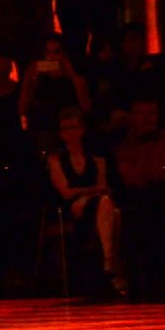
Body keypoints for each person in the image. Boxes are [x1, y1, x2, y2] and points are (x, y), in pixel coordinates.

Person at [47, 106, 126, 295]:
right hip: (72, 207)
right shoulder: (56, 159)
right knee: (110, 210)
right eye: (66, 128)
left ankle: (108, 266)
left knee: (111, 209)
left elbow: (104, 187)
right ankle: (111, 264)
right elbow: (66, 193)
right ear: (61, 133)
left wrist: (89, 194)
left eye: (74, 127)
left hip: (95, 204)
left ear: (82, 130)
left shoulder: (96, 160)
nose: (70, 132)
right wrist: (90, 192)